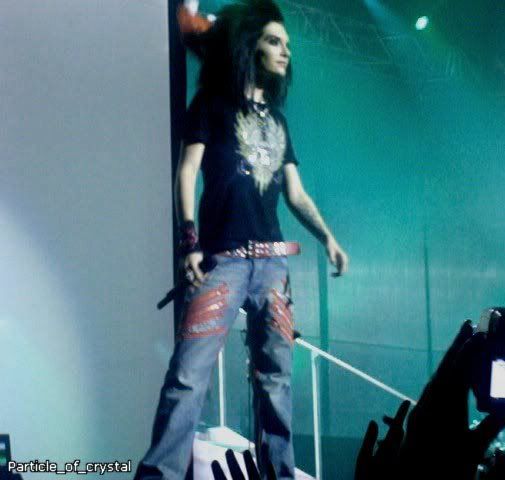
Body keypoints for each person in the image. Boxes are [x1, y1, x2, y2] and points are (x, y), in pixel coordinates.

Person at [134, 1, 348, 479]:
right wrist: (189, 241)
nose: (285, 51)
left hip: (273, 266)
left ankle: (278, 475)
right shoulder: (211, 104)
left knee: (276, 383)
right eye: (275, 41)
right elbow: (187, 172)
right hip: (223, 262)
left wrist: (328, 238)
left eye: (288, 44)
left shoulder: (279, 121)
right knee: (188, 377)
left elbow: (295, 193)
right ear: (250, 47)